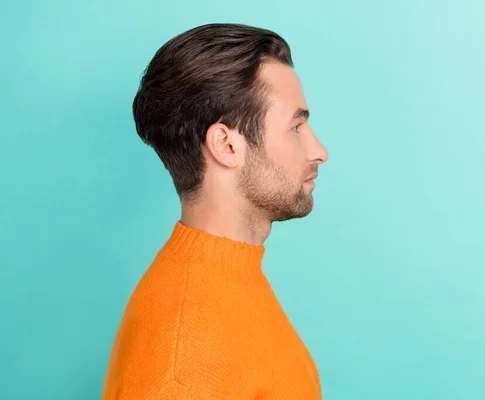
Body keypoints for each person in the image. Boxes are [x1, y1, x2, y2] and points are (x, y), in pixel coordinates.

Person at [101, 23, 329, 399]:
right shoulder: (181, 364)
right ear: (226, 145)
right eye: (296, 127)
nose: (319, 150)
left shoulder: (230, 279)